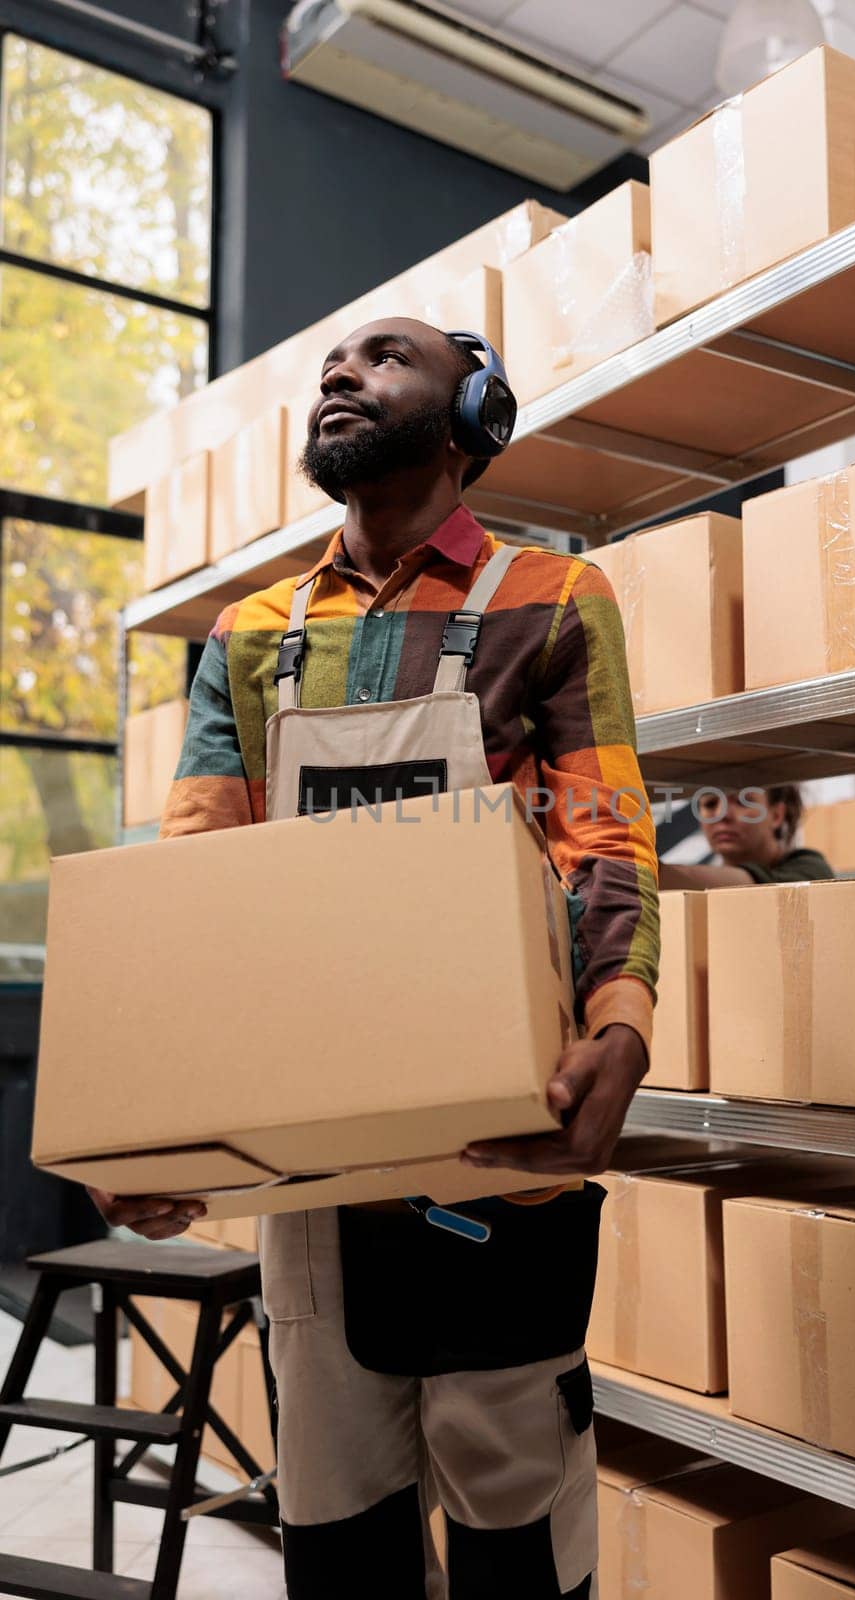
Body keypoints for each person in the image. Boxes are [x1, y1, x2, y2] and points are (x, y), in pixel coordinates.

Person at [88, 320, 659, 1599]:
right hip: (312, 1173)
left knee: (515, 1525)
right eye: (331, 363)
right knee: (338, 1528)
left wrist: (618, 1027)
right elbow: (197, 888)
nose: (340, 374)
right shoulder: (249, 635)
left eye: (384, 358)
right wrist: (147, 1122)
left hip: (501, 1144)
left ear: (476, 415)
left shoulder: (553, 598)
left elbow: (604, 835)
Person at [659, 783, 833, 890]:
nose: (721, 814)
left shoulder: (810, 869)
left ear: (776, 815)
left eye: (743, 801)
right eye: (710, 804)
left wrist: (646, 872)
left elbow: (752, 888)